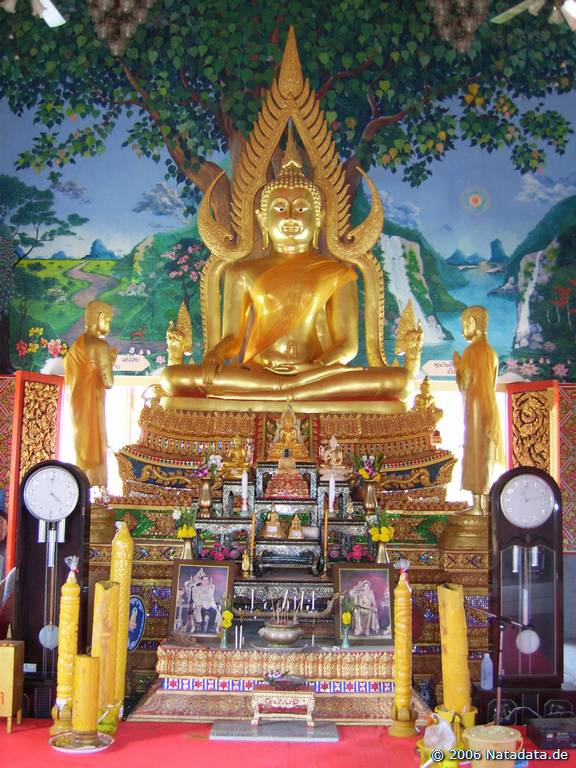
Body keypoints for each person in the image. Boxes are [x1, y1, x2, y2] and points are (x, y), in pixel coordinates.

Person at [160, 129, 422, 403]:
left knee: (400, 381)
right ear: (262, 218)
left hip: (316, 373)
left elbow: (347, 346)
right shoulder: (242, 273)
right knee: (173, 377)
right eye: (279, 208)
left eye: (301, 208)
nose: (290, 217)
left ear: (319, 217)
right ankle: (287, 391)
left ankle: (285, 391)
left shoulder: (338, 273)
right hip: (260, 372)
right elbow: (233, 338)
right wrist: (215, 354)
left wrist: (314, 369)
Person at [453, 306, 504, 514]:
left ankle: (478, 506)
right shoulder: (491, 353)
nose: (463, 330)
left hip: (476, 410)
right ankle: (482, 505)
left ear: (476, 324)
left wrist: (457, 367)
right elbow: (491, 384)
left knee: (476, 455)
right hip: (488, 408)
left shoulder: (472, 352)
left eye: (466, 324)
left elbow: (465, 384)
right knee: (485, 455)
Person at [64, 301, 117, 488]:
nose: (109, 325)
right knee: (94, 443)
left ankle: (81, 482)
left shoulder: (74, 347)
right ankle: (95, 485)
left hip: (77, 404)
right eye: (108, 320)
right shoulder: (100, 346)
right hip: (91, 403)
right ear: (100, 318)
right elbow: (109, 382)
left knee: (82, 442)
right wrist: (110, 361)